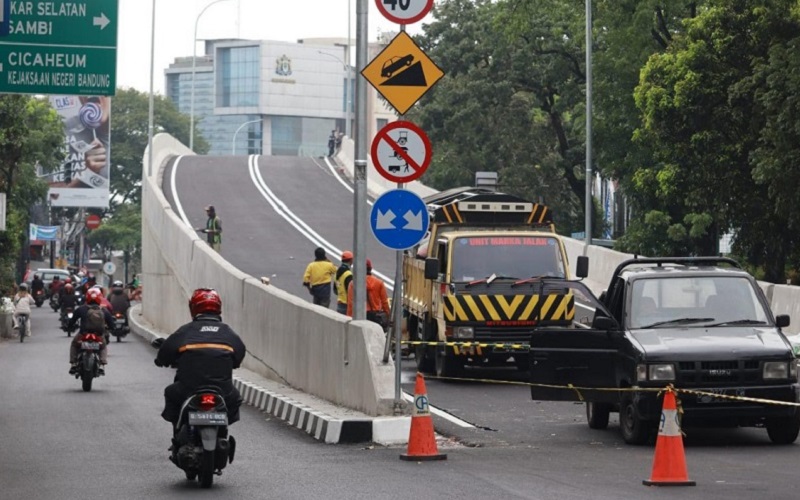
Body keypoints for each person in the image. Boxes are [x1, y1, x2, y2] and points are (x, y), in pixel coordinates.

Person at [154, 288, 246, 425]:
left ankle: (178, 434)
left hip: (188, 390)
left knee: (170, 392)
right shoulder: (228, 332)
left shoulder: (185, 331)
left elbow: (165, 353)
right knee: (236, 398)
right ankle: (224, 430)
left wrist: (161, 360)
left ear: (193, 308)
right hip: (223, 390)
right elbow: (239, 354)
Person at [67, 288, 114, 375]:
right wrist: (111, 328)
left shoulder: (81, 309)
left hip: (83, 335)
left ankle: (73, 364)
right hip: (98, 336)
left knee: (74, 344)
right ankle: (102, 364)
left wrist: (70, 327)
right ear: (100, 298)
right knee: (103, 346)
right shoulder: (104, 310)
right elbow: (112, 324)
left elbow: (72, 321)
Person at [347, 259, 391, 328]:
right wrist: (388, 316)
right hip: (375, 317)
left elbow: (351, 303)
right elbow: (384, 302)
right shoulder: (379, 283)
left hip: (360, 317)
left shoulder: (353, 284)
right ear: (371, 269)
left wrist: (349, 318)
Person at [334, 250, 354, 315]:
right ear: (350, 261)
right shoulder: (348, 274)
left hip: (339, 303)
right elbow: (350, 291)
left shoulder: (337, 273)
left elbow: (335, 290)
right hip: (347, 305)